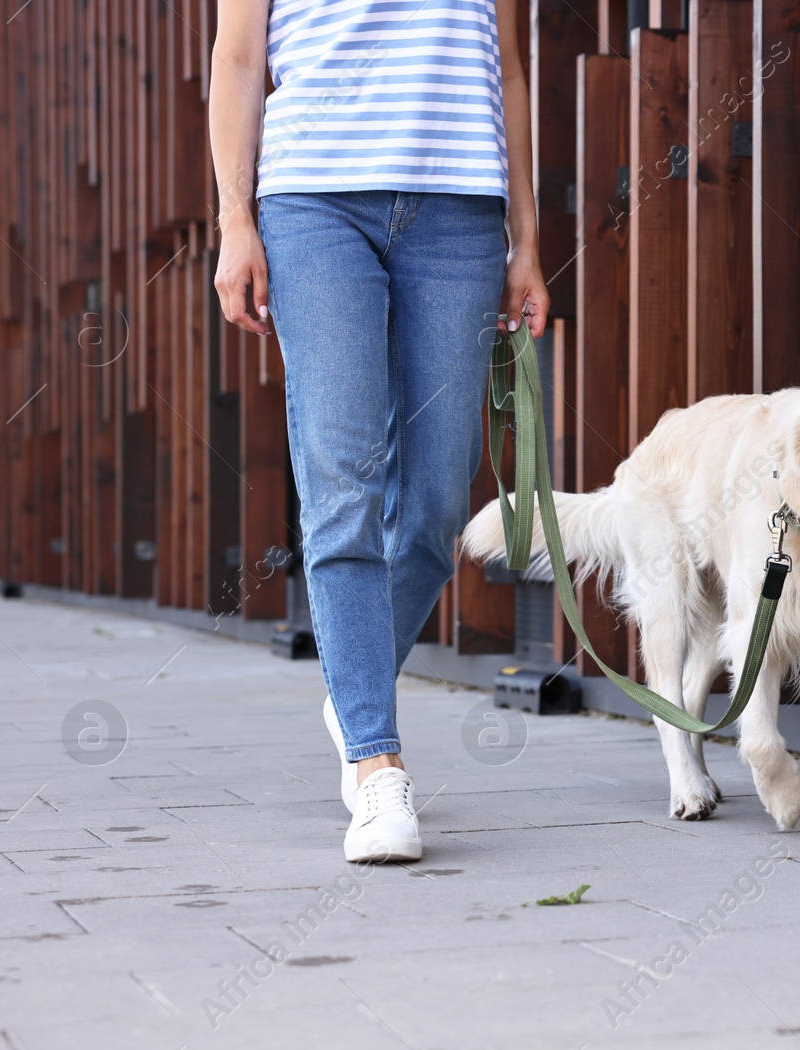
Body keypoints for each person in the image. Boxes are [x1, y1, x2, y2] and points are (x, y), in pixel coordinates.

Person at [209, 0, 549, 862]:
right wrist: (234, 222)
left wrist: (528, 238)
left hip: (459, 209)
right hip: (314, 203)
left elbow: (506, 67)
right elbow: (241, 61)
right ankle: (375, 760)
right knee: (343, 475)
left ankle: (350, 683)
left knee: (439, 497)